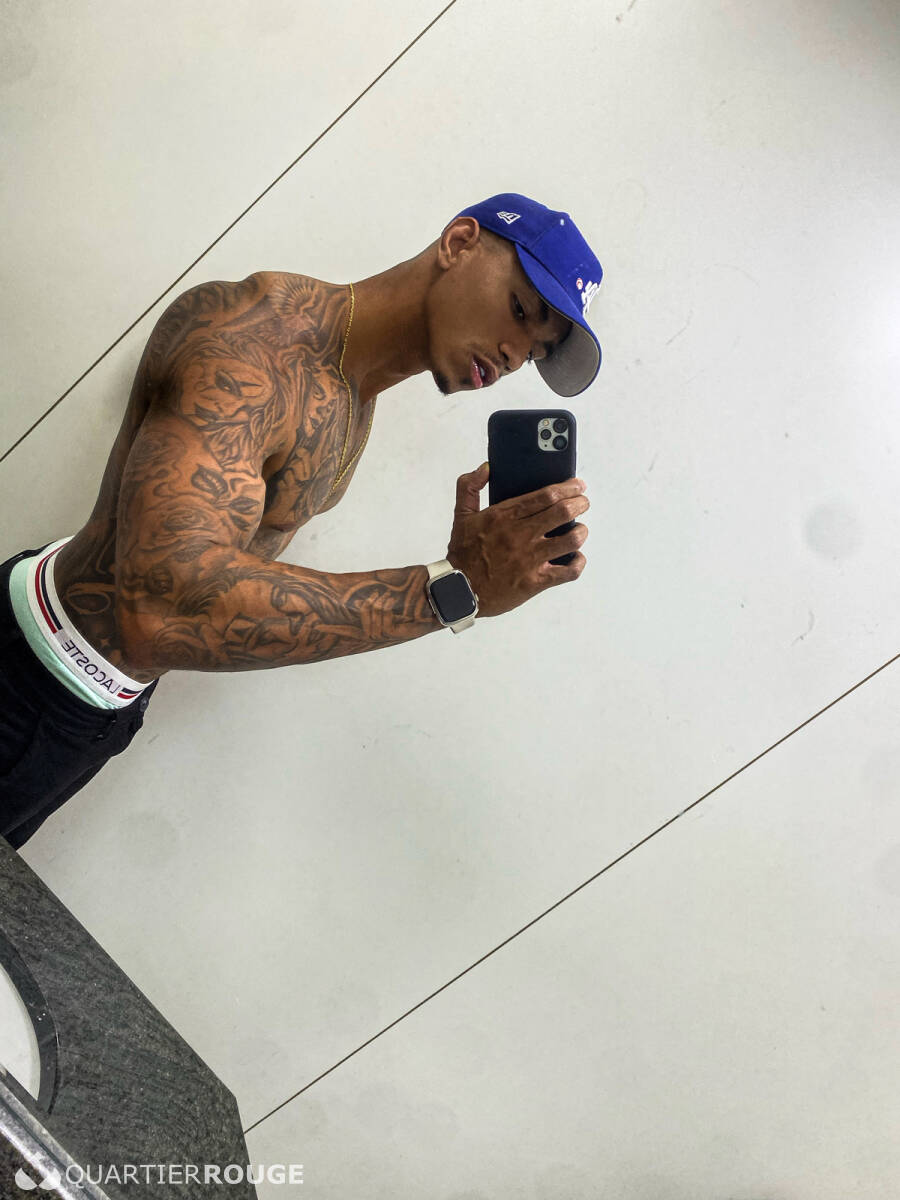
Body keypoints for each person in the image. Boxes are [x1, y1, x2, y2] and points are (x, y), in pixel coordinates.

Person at [0, 192, 603, 849]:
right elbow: (157, 609)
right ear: (458, 243)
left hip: (97, 710)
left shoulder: (353, 399)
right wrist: (453, 589)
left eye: (536, 351)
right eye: (521, 310)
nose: (515, 353)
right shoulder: (255, 343)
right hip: (27, 671)